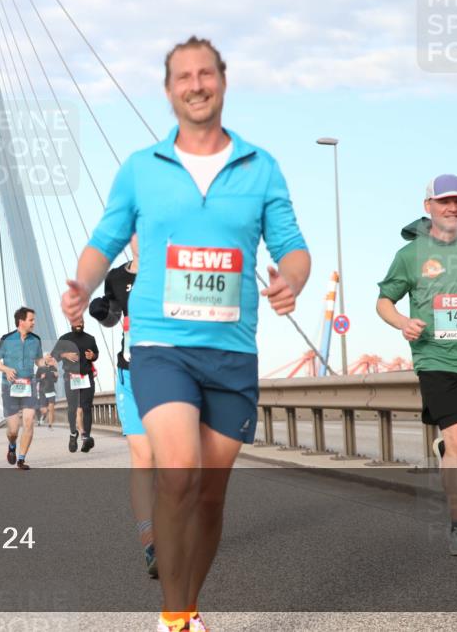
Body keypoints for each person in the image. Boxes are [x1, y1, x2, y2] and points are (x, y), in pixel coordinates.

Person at [61, 37, 310, 632]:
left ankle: (188, 603)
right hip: (159, 346)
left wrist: (290, 280)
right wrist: (82, 280)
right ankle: (174, 620)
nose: (195, 84)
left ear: (222, 81)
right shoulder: (141, 170)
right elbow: (105, 239)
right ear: (169, 90)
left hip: (231, 350)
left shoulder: (260, 167)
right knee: (178, 474)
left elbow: (293, 248)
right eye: (183, 76)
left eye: (206, 73)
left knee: (210, 496)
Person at [376, 174, 457, 557]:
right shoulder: (411, 255)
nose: (452, 208)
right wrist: (403, 323)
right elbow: (384, 301)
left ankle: (447, 452)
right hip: (436, 359)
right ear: (429, 207)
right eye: (444, 202)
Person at [90, 234, 158, 576]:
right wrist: (103, 312)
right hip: (130, 377)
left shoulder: (173, 270)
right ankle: (151, 543)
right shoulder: (116, 278)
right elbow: (113, 318)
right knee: (143, 458)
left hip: (171, 376)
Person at [0, 306, 44, 470]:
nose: (34, 323)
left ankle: (21, 459)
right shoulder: (7, 339)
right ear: (21, 321)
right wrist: (6, 369)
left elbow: (39, 361)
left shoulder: (36, 340)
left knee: (28, 422)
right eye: (31, 320)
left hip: (29, 386)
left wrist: (47, 362)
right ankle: (12, 445)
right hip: (10, 388)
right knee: (13, 430)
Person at [53, 322, 99, 453]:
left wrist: (93, 356)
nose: (79, 323)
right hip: (70, 377)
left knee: (87, 407)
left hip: (86, 377)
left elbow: (96, 353)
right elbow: (54, 355)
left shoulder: (90, 338)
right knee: (72, 409)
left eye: (81, 321)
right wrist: (64, 355)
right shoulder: (64, 338)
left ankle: (86, 437)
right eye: (76, 321)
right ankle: (73, 434)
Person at [35, 353, 59, 429]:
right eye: (48, 356)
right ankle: (43, 416)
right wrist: (41, 378)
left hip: (51, 391)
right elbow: (35, 380)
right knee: (44, 410)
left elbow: (55, 380)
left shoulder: (53, 368)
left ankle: (50, 425)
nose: (50, 357)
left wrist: (56, 376)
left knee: (51, 408)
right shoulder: (40, 368)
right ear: (45, 358)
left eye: (51, 356)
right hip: (43, 391)